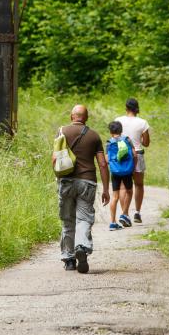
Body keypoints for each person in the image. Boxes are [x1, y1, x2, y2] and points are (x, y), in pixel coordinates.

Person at [52, 105, 110, 273]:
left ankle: (69, 259)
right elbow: (102, 164)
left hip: (66, 182)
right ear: (86, 118)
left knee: (68, 221)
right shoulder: (93, 136)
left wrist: (59, 179)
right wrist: (106, 189)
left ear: (72, 116)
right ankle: (82, 247)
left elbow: (55, 159)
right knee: (84, 219)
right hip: (87, 182)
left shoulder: (61, 131)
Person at [115, 98, 150, 224]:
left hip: (123, 155)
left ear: (126, 108)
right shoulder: (143, 123)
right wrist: (140, 137)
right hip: (138, 154)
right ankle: (137, 212)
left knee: (124, 185)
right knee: (138, 184)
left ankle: (124, 213)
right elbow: (146, 143)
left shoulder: (118, 120)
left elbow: (115, 137)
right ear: (137, 109)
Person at [106, 121, 137, 231]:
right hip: (127, 170)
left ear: (110, 132)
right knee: (129, 191)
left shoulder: (109, 143)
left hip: (115, 172)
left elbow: (107, 160)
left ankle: (113, 222)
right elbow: (134, 154)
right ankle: (124, 213)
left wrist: (114, 165)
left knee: (115, 196)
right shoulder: (127, 140)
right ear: (121, 130)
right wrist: (133, 168)